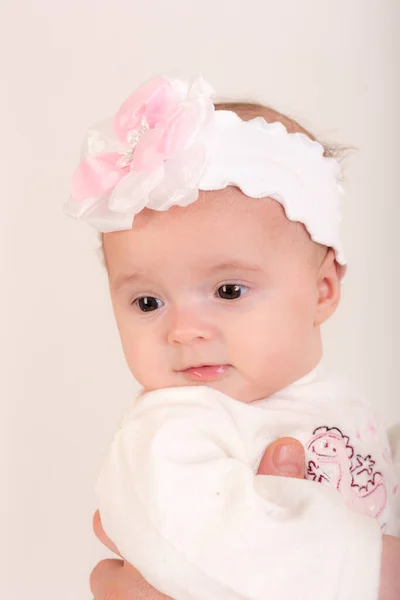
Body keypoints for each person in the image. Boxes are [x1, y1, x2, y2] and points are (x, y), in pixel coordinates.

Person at [65, 76, 400, 599]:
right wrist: (379, 574)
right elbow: (212, 549)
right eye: (147, 302)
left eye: (227, 289)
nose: (184, 330)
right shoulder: (174, 429)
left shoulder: (327, 399)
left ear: (322, 291)